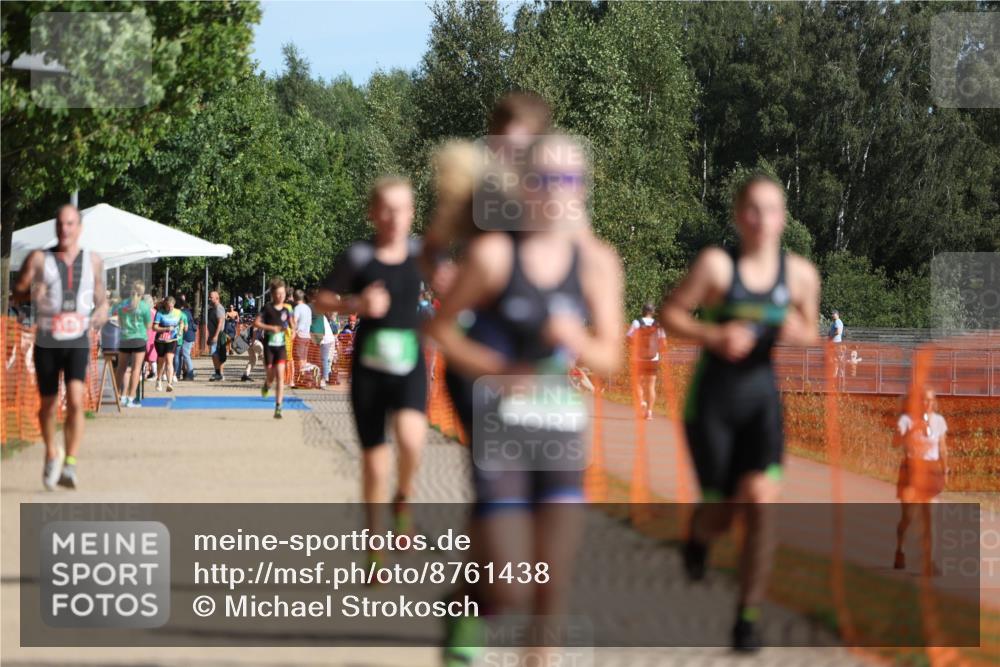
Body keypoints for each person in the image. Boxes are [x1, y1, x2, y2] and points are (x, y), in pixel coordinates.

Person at [427, 135, 624, 664]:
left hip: (560, 429)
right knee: (510, 584)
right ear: (524, 187)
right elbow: (443, 330)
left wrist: (576, 339)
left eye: (570, 180)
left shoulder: (598, 263)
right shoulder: (494, 255)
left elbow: (610, 357)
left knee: (550, 591)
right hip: (502, 427)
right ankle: (466, 605)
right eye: (545, 179)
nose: (558, 191)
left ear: (582, 190)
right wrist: (500, 370)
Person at [660, 173, 820, 651]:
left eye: (771, 209)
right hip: (711, 403)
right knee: (723, 515)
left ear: (783, 218)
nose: (761, 219)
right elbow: (671, 314)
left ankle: (747, 618)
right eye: (752, 208)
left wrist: (798, 331)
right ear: (737, 215)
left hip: (761, 403)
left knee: (761, 504)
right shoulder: (716, 266)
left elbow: (812, 331)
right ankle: (699, 537)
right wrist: (714, 336)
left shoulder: (800, 275)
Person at [314, 177, 429, 563]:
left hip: (410, 363)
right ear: (373, 213)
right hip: (369, 369)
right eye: (387, 208)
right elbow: (322, 299)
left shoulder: (422, 253)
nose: (395, 217)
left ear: (412, 213)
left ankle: (404, 497)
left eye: (403, 208)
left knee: (413, 441)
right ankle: (375, 545)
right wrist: (356, 303)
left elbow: (456, 286)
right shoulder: (359, 256)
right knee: (375, 463)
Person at [11, 203, 108, 490]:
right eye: (59, 224)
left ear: (78, 228)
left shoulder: (92, 260)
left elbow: (101, 298)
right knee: (48, 406)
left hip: (77, 338)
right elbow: (16, 294)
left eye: (69, 224)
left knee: (76, 401)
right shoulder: (39, 258)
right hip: (47, 339)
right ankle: (52, 453)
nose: (64, 229)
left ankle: (71, 464)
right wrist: (30, 293)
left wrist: (101, 311)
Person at [893, 386, 949, 572]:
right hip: (911, 470)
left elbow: (942, 447)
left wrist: (945, 469)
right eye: (924, 400)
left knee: (929, 518)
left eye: (931, 400)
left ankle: (929, 562)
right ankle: (900, 550)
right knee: (908, 517)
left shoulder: (939, 421)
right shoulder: (906, 420)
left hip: (931, 471)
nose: (928, 403)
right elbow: (895, 442)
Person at [254, 278, 295, 419]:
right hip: (269, 347)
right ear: (272, 294)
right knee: (271, 376)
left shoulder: (286, 309)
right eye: (278, 294)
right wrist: (271, 328)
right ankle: (266, 385)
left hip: (281, 347)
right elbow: (257, 323)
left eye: (283, 294)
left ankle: (278, 407)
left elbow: (291, 322)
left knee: (280, 377)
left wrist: (293, 331)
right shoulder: (267, 308)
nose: (281, 296)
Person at [114, 279, 152, 407]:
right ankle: (131, 398)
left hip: (124, 338)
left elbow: (119, 322)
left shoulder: (122, 305)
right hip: (139, 339)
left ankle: (118, 395)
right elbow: (148, 325)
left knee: (121, 369)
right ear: (142, 292)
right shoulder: (144, 306)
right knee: (136, 369)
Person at [627, 303, 666, 420]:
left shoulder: (637, 323)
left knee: (637, 383)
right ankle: (649, 412)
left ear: (642, 311)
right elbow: (664, 343)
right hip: (653, 358)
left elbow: (628, 337)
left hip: (638, 357)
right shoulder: (658, 325)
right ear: (653, 312)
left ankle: (641, 403)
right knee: (651, 385)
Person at [152, 296, 185, 392]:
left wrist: (180, 330)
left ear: (174, 305)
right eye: (168, 307)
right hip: (160, 340)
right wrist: (165, 329)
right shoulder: (160, 313)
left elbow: (182, 321)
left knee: (169, 360)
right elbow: (154, 327)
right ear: (165, 305)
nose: (170, 308)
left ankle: (169, 383)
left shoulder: (178, 312)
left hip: (172, 339)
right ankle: (158, 380)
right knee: (161, 361)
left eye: (171, 306)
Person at [292, 289, 313, 387]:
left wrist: (293, 332)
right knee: (304, 358)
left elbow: (294, 321)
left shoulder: (297, 308)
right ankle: (304, 378)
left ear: (294, 297)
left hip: (300, 335)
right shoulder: (308, 308)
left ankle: (302, 379)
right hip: (307, 336)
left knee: (300, 358)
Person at [206, 290, 226, 381]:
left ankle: (219, 374)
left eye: (211, 297)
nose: (209, 298)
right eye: (209, 296)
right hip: (213, 334)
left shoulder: (219, 308)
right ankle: (219, 373)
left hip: (218, 334)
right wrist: (210, 336)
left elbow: (220, 322)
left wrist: (215, 336)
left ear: (217, 298)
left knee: (216, 354)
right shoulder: (212, 308)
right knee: (215, 354)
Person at [176, 296, 197, 381]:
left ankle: (190, 373)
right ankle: (178, 374)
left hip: (187, 336)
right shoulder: (187, 311)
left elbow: (184, 326)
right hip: (188, 336)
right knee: (181, 355)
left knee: (185, 354)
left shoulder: (183, 313)